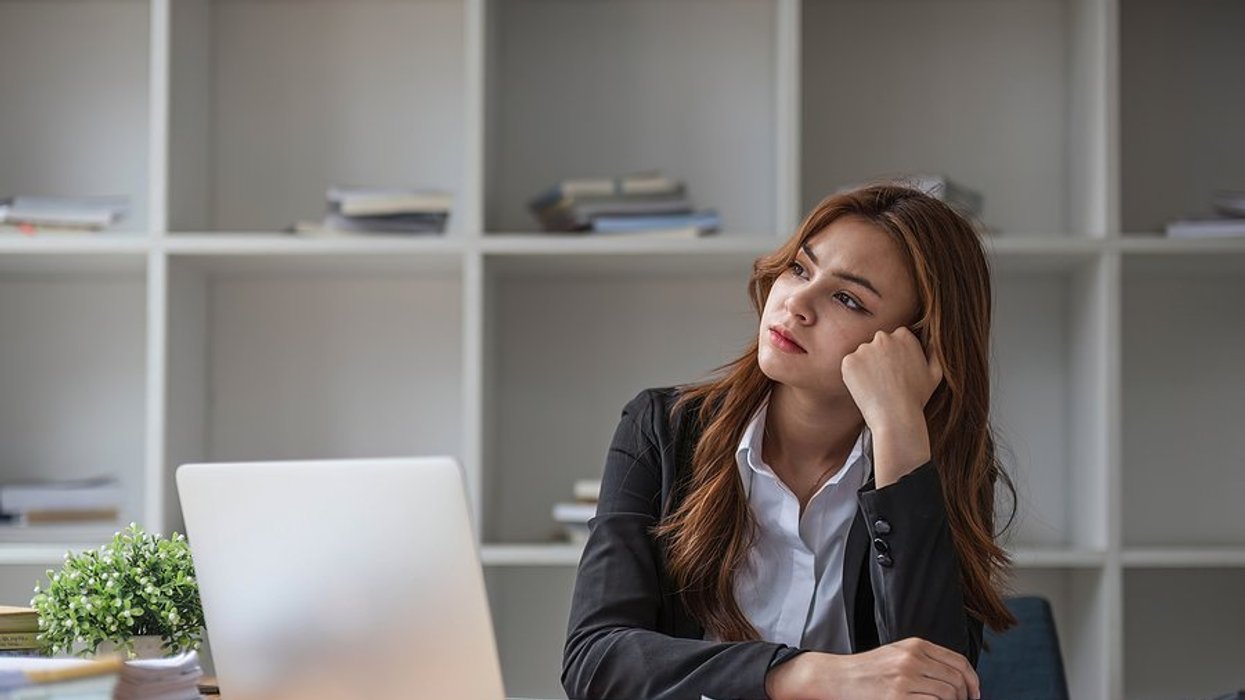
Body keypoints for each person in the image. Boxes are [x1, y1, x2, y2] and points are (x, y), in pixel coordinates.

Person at [561, 183, 1018, 700]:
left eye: (847, 298)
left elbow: (936, 684)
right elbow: (595, 660)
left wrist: (899, 430)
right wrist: (803, 674)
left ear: (915, 345)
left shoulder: (937, 463)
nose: (797, 302)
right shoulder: (663, 429)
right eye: (800, 268)